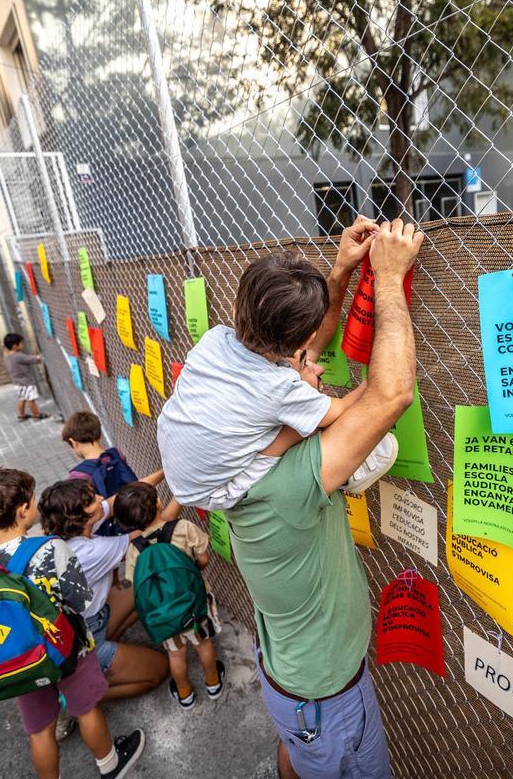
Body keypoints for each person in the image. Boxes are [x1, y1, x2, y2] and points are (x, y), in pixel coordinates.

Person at [158, 218, 423, 779]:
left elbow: (296, 352)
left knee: (297, 757)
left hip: (291, 682)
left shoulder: (221, 347)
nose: (312, 366)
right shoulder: (290, 487)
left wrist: (342, 271)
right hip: (325, 695)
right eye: (303, 367)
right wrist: (390, 278)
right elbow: (390, 393)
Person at [156, 216, 392, 514]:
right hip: (216, 491)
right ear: (306, 338)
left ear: (234, 307)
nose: (313, 365)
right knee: (302, 426)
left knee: (293, 409)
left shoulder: (214, 340)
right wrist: (383, 369)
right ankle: (343, 468)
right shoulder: (278, 388)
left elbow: (306, 352)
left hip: (180, 464)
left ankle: (301, 413)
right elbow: (344, 409)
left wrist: (343, 265)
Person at [0, 468, 144, 779]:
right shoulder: (50, 548)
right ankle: (110, 764)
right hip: (68, 651)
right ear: (24, 511)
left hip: (21, 659)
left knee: (40, 730)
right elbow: (81, 601)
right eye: (32, 498)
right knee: (86, 709)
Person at [38, 480, 170, 701]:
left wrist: (167, 471)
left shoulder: (69, 533)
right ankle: (74, 694)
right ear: (79, 518)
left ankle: (99, 663)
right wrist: (183, 493)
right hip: (83, 639)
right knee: (159, 669)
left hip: (82, 623)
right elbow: (154, 528)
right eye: (92, 500)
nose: (100, 498)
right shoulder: (90, 551)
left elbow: (116, 499)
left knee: (143, 590)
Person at [115, 480, 223, 710]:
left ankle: (184, 693)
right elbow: (203, 560)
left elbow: (136, 583)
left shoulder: (134, 548)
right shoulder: (183, 527)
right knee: (203, 644)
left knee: (176, 655)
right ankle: (213, 682)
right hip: (195, 604)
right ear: (159, 502)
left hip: (163, 615)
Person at [3, 333, 50, 422]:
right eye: (20, 343)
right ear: (14, 346)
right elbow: (32, 359)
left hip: (18, 383)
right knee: (31, 399)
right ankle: (37, 415)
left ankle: (22, 416)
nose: (22, 345)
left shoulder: (7, 357)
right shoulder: (18, 356)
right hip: (27, 383)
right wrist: (40, 357)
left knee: (22, 399)